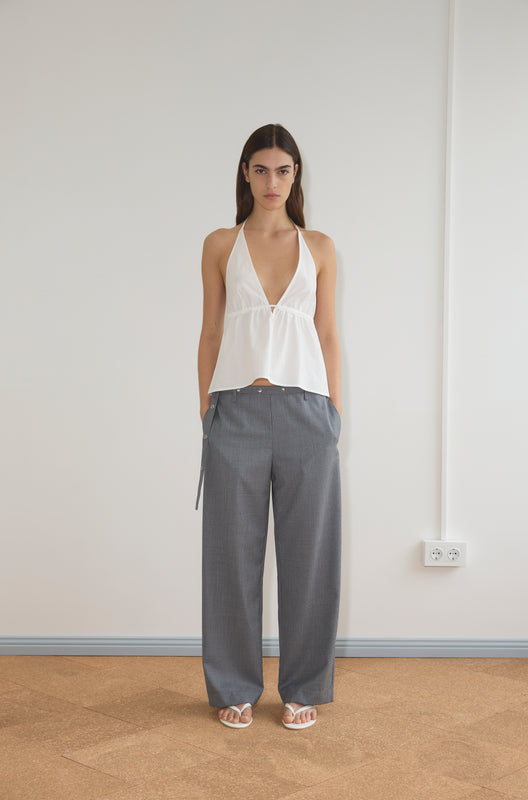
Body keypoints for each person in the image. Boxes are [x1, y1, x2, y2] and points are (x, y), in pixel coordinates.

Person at [196, 123, 342, 730]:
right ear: (245, 174)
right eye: (261, 170)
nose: (272, 182)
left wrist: (335, 415)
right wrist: (206, 411)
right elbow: (209, 331)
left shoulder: (321, 247)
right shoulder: (219, 244)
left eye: (283, 170)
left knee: (310, 555)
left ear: (296, 175)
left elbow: (329, 335)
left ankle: (303, 687)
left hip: (308, 412)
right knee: (230, 555)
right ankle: (234, 687)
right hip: (236, 410)